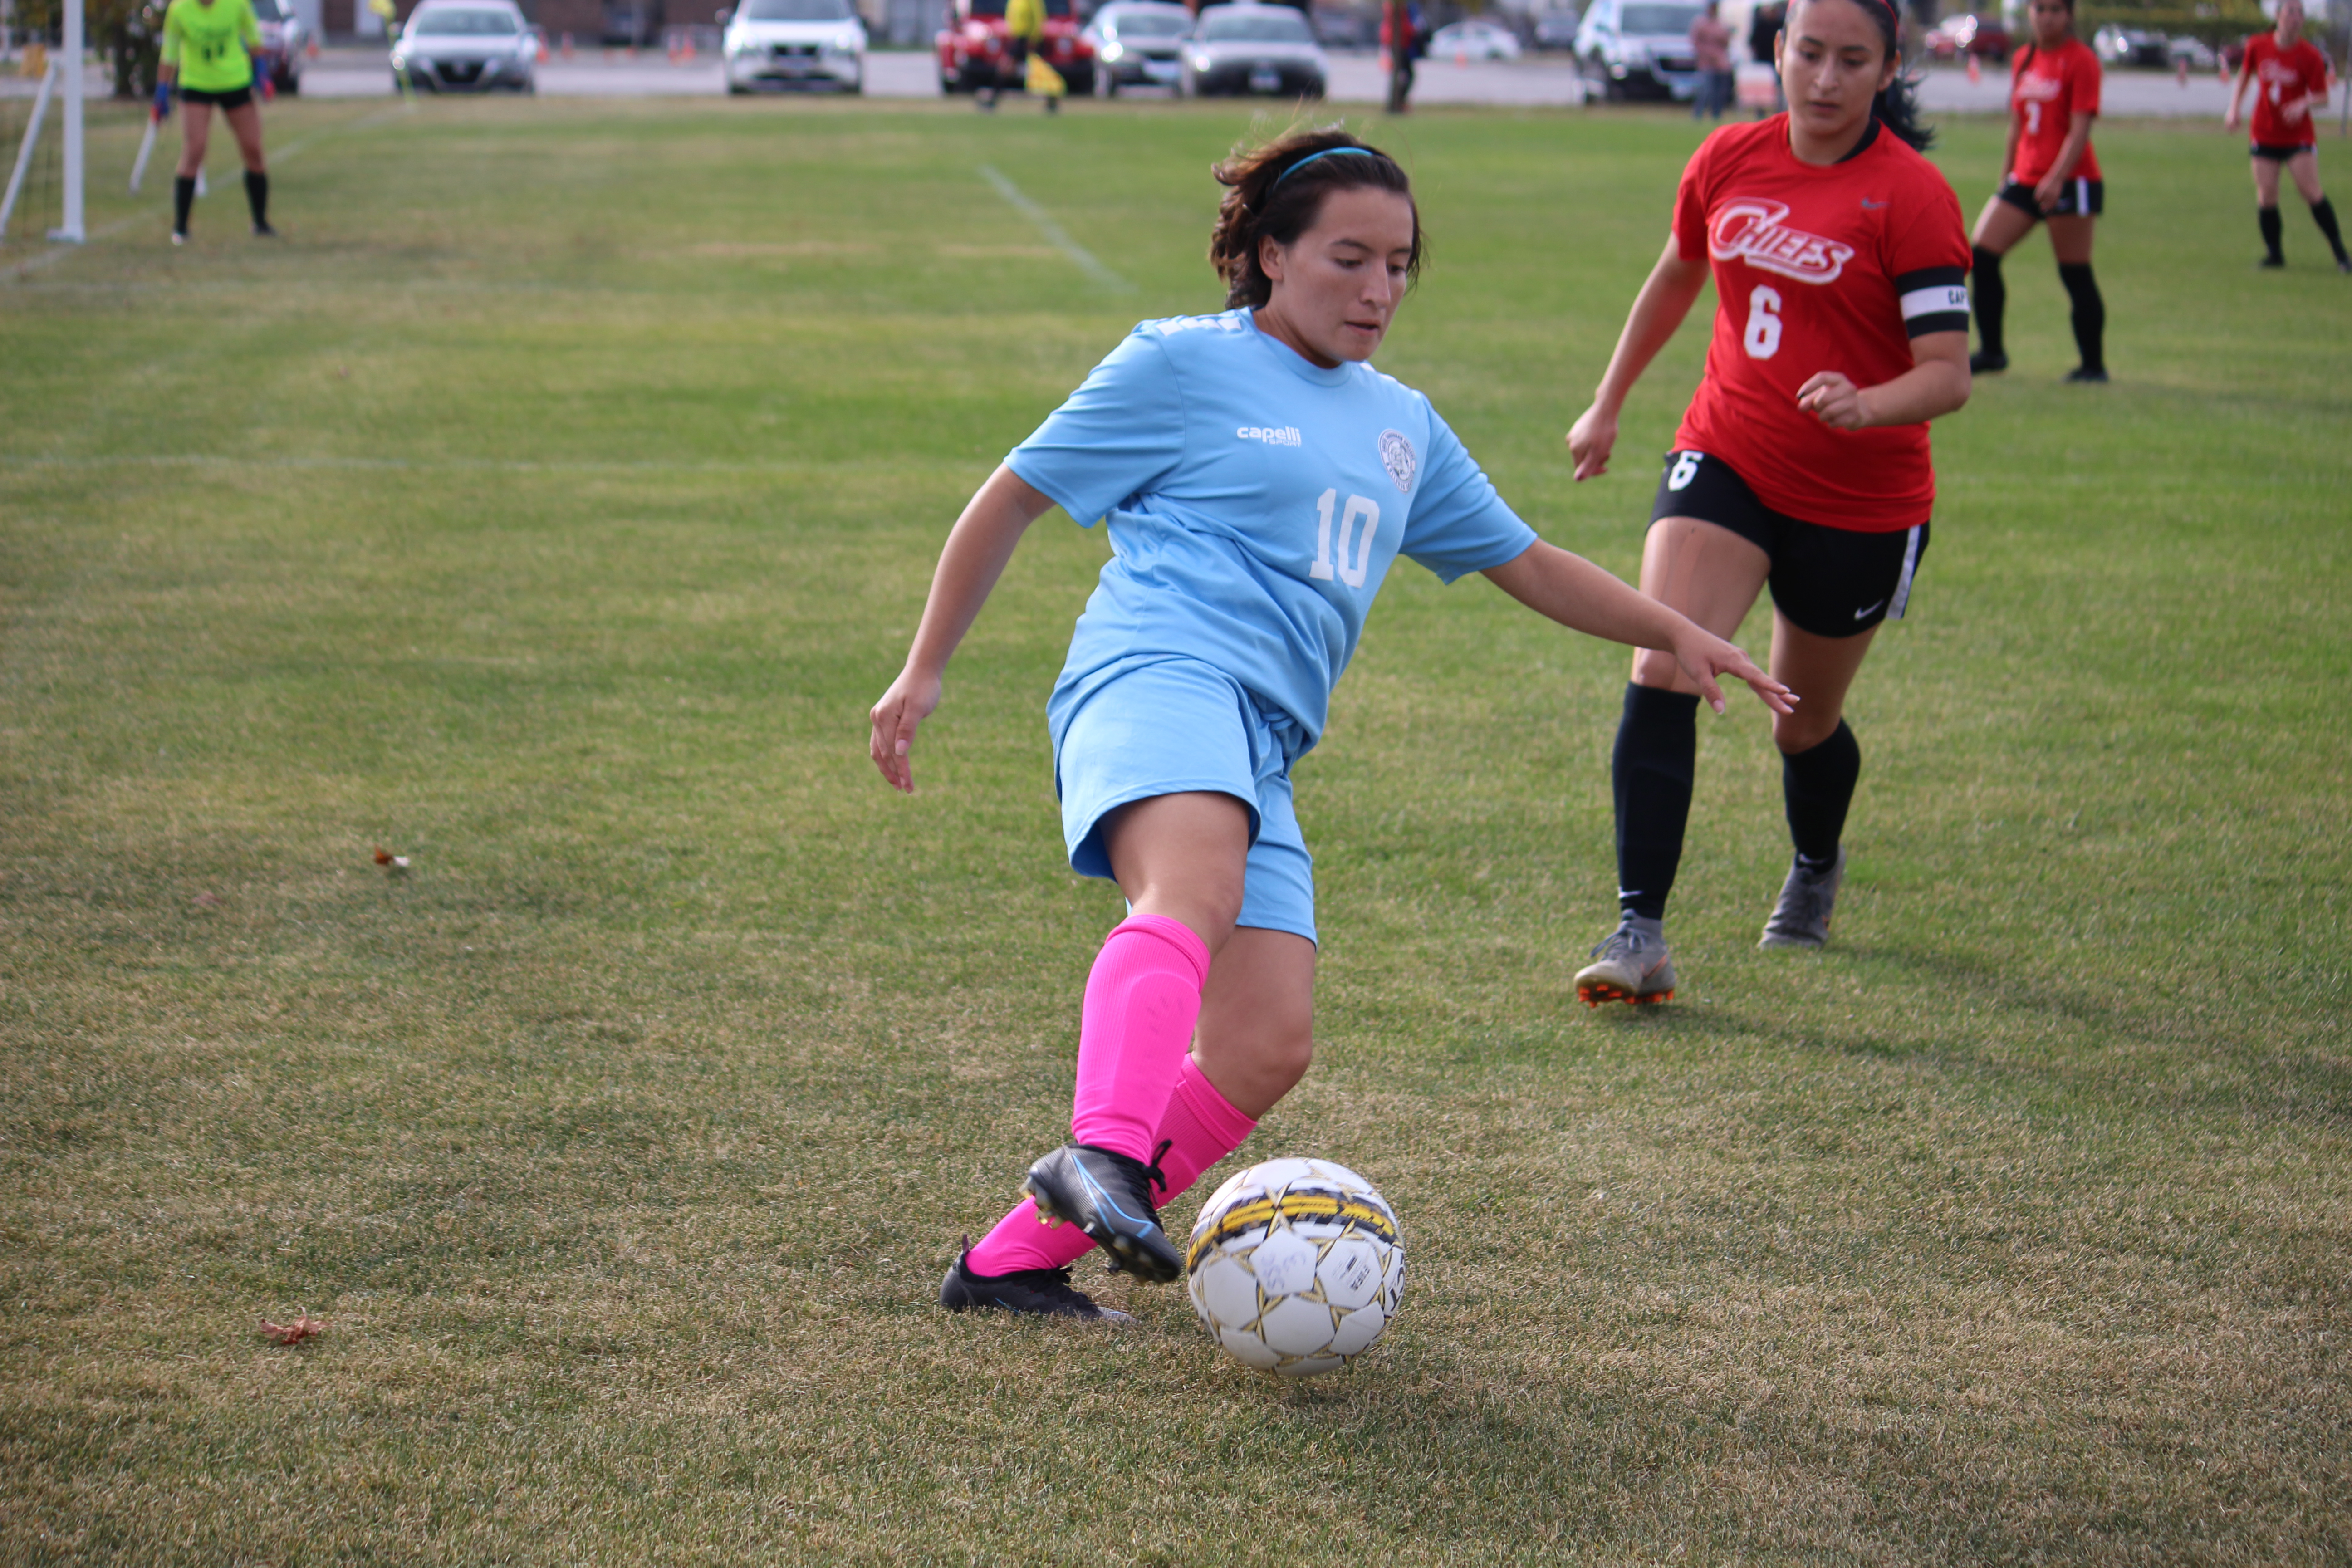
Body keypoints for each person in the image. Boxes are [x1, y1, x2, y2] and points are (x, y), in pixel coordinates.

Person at [872, 128, 1793, 1319]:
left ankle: (1008, 1266)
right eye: (1348, 259)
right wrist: (925, 668)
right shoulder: (1179, 365)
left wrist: (1677, 629)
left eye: (1400, 266)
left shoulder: (1400, 423)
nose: (1378, 291)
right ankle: (1101, 1149)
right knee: (1189, 894)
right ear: (1269, 255)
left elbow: (1526, 559)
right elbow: (1012, 498)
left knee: (1265, 1042)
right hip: (1156, 676)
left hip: (1261, 742)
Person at [1563, 0, 1971, 1005]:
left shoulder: (1913, 197)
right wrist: (1608, 403)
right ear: (1778, 50)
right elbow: (1677, 274)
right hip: (1729, 450)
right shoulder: (1728, 158)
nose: (1826, 78)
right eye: (1810, 53)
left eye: (1852, 60)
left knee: (1802, 725)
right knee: (1662, 657)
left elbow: (1950, 372)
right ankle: (1640, 934)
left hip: (1861, 495)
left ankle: (1817, 862)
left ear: (1889, 67)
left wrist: (1867, 405)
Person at [1967, 0, 2107, 381]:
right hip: (2025, 178)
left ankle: (2093, 366)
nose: (2047, 17)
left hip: (2072, 181)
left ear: (2070, 15)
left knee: (2074, 272)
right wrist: (2005, 176)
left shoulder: (2081, 60)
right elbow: (2016, 124)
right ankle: (1992, 352)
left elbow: (2080, 129)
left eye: (2056, 10)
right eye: (2040, 8)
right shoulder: (2024, 58)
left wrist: (2057, 177)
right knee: (1982, 253)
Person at [2225, 0, 2348, 272]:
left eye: (2300, 13)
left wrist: (2304, 103)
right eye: (2290, 11)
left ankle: (2341, 254)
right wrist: (2234, 109)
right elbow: (2245, 75)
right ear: (2278, 16)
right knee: (2267, 195)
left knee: (2311, 192)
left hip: (2297, 136)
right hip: (2265, 131)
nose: (2296, 17)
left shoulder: (2310, 55)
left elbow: (2322, 97)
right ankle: (2275, 255)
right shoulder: (2259, 45)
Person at [158, 0, 273, 244]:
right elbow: (169, 52)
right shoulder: (179, 9)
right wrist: (161, 92)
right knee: (195, 151)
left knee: (253, 149)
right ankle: (181, 228)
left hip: (235, 82)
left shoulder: (237, 4)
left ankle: (260, 222)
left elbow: (254, 38)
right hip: (196, 84)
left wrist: (262, 74)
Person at [1690, 0, 1735, 122]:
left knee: (1720, 91)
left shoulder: (1720, 24)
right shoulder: (1701, 23)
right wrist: (1704, 54)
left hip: (1720, 62)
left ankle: (1717, 114)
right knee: (1705, 89)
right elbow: (1695, 42)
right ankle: (1698, 113)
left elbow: (1726, 42)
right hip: (1706, 61)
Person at [1382, 0, 1418, 115]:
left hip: (1400, 43)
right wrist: (1413, 31)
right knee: (1407, 74)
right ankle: (1399, 102)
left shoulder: (1397, 6)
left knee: (1401, 75)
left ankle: (1399, 102)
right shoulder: (1396, 7)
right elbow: (1402, 25)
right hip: (1399, 43)